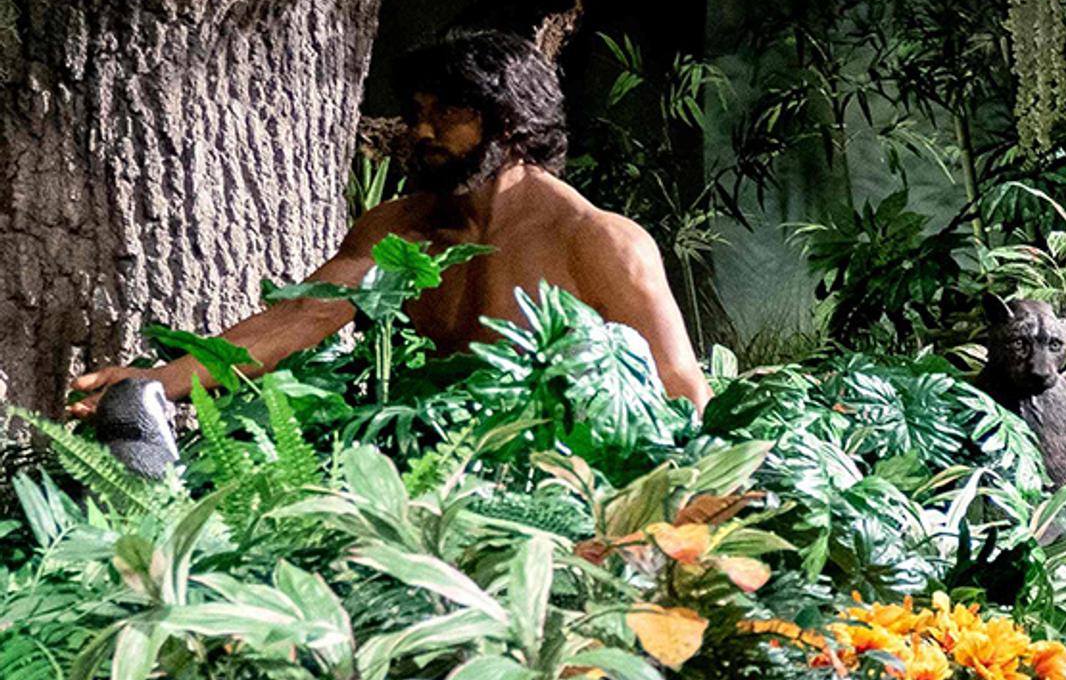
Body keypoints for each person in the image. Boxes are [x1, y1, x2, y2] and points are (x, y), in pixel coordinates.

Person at [71, 28, 706, 411]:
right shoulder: (398, 228)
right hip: (431, 483)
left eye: (447, 115)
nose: (420, 132)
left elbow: (681, 386)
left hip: (570, 494)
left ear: (508, 123)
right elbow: (304, 315)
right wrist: (158, 382)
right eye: (416, 112)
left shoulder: (597, 241)